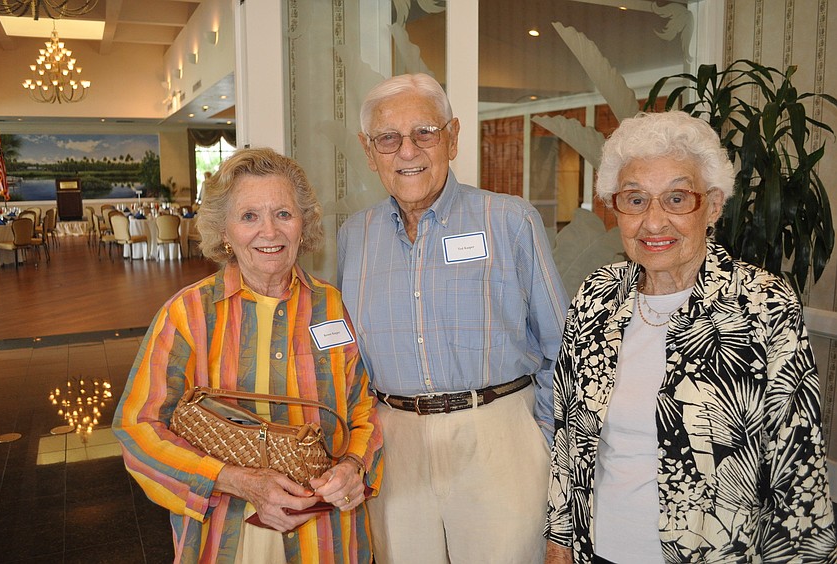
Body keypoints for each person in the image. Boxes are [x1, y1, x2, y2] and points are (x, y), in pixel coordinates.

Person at [545, 111, 837, 563]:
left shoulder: (762, 306)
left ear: (714, 205)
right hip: (597, 550)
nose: (654, 222)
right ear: (614, 207)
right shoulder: (597, 296)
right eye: (635, 199)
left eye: (677, 198)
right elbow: (568, 435)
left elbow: (796, 467)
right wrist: (560, 540)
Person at [337, 73, 569, 563]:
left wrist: (539, 440)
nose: (407, 151)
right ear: (368, 150)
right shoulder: (354, 236)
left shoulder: (509, 220)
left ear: (453, 136)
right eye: (388, 138)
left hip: (498, 437)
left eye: (425, 132)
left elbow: (561, 347)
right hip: (394, 445)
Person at [113, 148, 383, 563]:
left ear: (303, 225)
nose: (269, 231)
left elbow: (363, 410)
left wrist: (353, 466)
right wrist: (237, 480)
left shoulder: (333, 307)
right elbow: (139, 430)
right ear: (224, 230)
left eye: (283, 214)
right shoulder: (187, 315)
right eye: (249, 216)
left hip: (325, 538)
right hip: (227, 536)